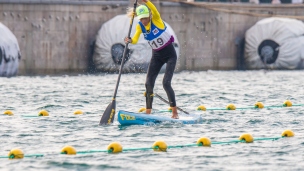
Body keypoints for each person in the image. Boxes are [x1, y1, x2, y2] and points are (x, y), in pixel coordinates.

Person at [124, 0, 179, 119]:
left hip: (170, 55)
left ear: (149, 15)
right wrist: (130, 40)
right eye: (141, 18)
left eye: (145, 18)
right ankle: (148, 114)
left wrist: (146, 1)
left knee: (166, 83)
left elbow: (153, 9)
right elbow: (135, 40)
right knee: (148, 84)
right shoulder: (140, 26)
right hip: (157, 56)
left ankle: (175, 113)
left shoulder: (156, 19)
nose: (144, 21)